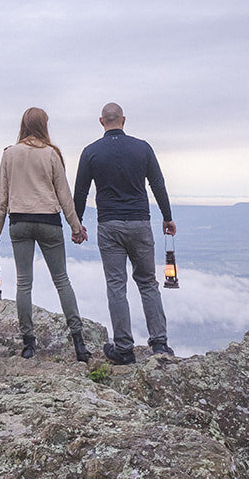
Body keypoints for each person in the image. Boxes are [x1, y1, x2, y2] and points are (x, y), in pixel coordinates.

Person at [73, 102, 176, 364]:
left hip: (109, 225)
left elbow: (81, 191)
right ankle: (160, 344)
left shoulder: (91, 152)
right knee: (147, 282)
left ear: (101, 121)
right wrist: (167, 217)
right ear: (124, 120)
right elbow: (158, 184)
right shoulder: (143, 148)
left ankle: (124, 349)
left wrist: (78, 224)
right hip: (140, 222)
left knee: (116, 285)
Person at [0, 107, 92, 362]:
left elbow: (1, 196)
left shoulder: (9, 154)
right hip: (49, 222)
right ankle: (79, 343)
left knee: (24, 283)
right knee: (62, 281)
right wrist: (76, 227)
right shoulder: (51, 154)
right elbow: (64, 195)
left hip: (19, 222)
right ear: (44, 125)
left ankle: (28, 344)